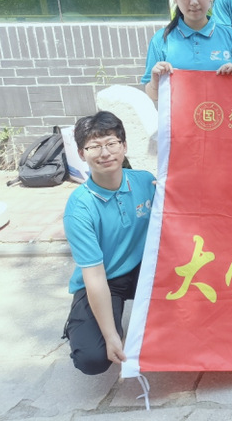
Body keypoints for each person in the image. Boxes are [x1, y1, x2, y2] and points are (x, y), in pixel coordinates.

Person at [62, 111, 156, 375]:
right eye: (94, 146)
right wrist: (111, 334)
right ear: (81, 154)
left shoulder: (145, 181)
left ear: (124, 146)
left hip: (145, 270)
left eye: (111, 143)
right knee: (93, 358)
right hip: (106, 277)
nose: (105, 153)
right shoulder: (79, 208)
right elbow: (94, 276)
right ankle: (80, 322)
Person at [143, 0, 232, 101]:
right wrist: (155, 81)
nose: (193, 2)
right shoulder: (161, 40)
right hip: (180, 115)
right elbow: (153, 96)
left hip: (222, 114)